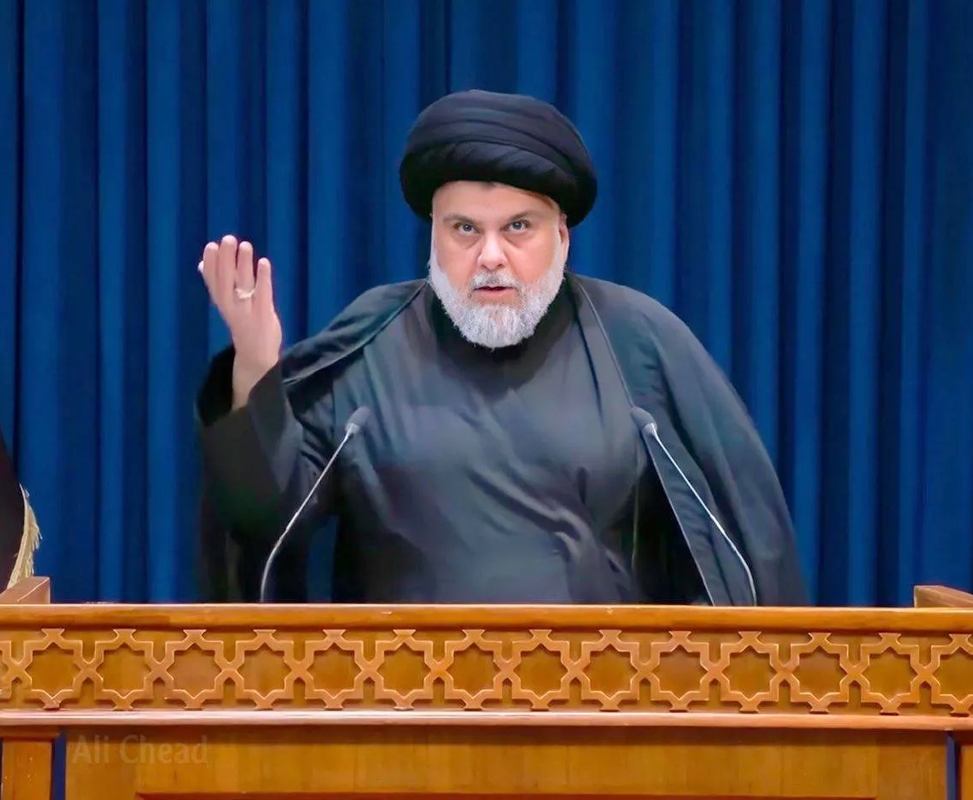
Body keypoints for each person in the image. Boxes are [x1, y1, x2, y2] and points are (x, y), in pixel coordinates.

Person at [194, 89, 809, 607]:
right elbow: (263, 522)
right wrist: (256, 365)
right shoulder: (372, 344)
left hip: (604, 704)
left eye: (518, 227)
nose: (490, 256)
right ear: (434, 237)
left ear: (562, 235)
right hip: (401, 702)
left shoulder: (638, 343)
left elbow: (745, 550)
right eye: (465, 228)